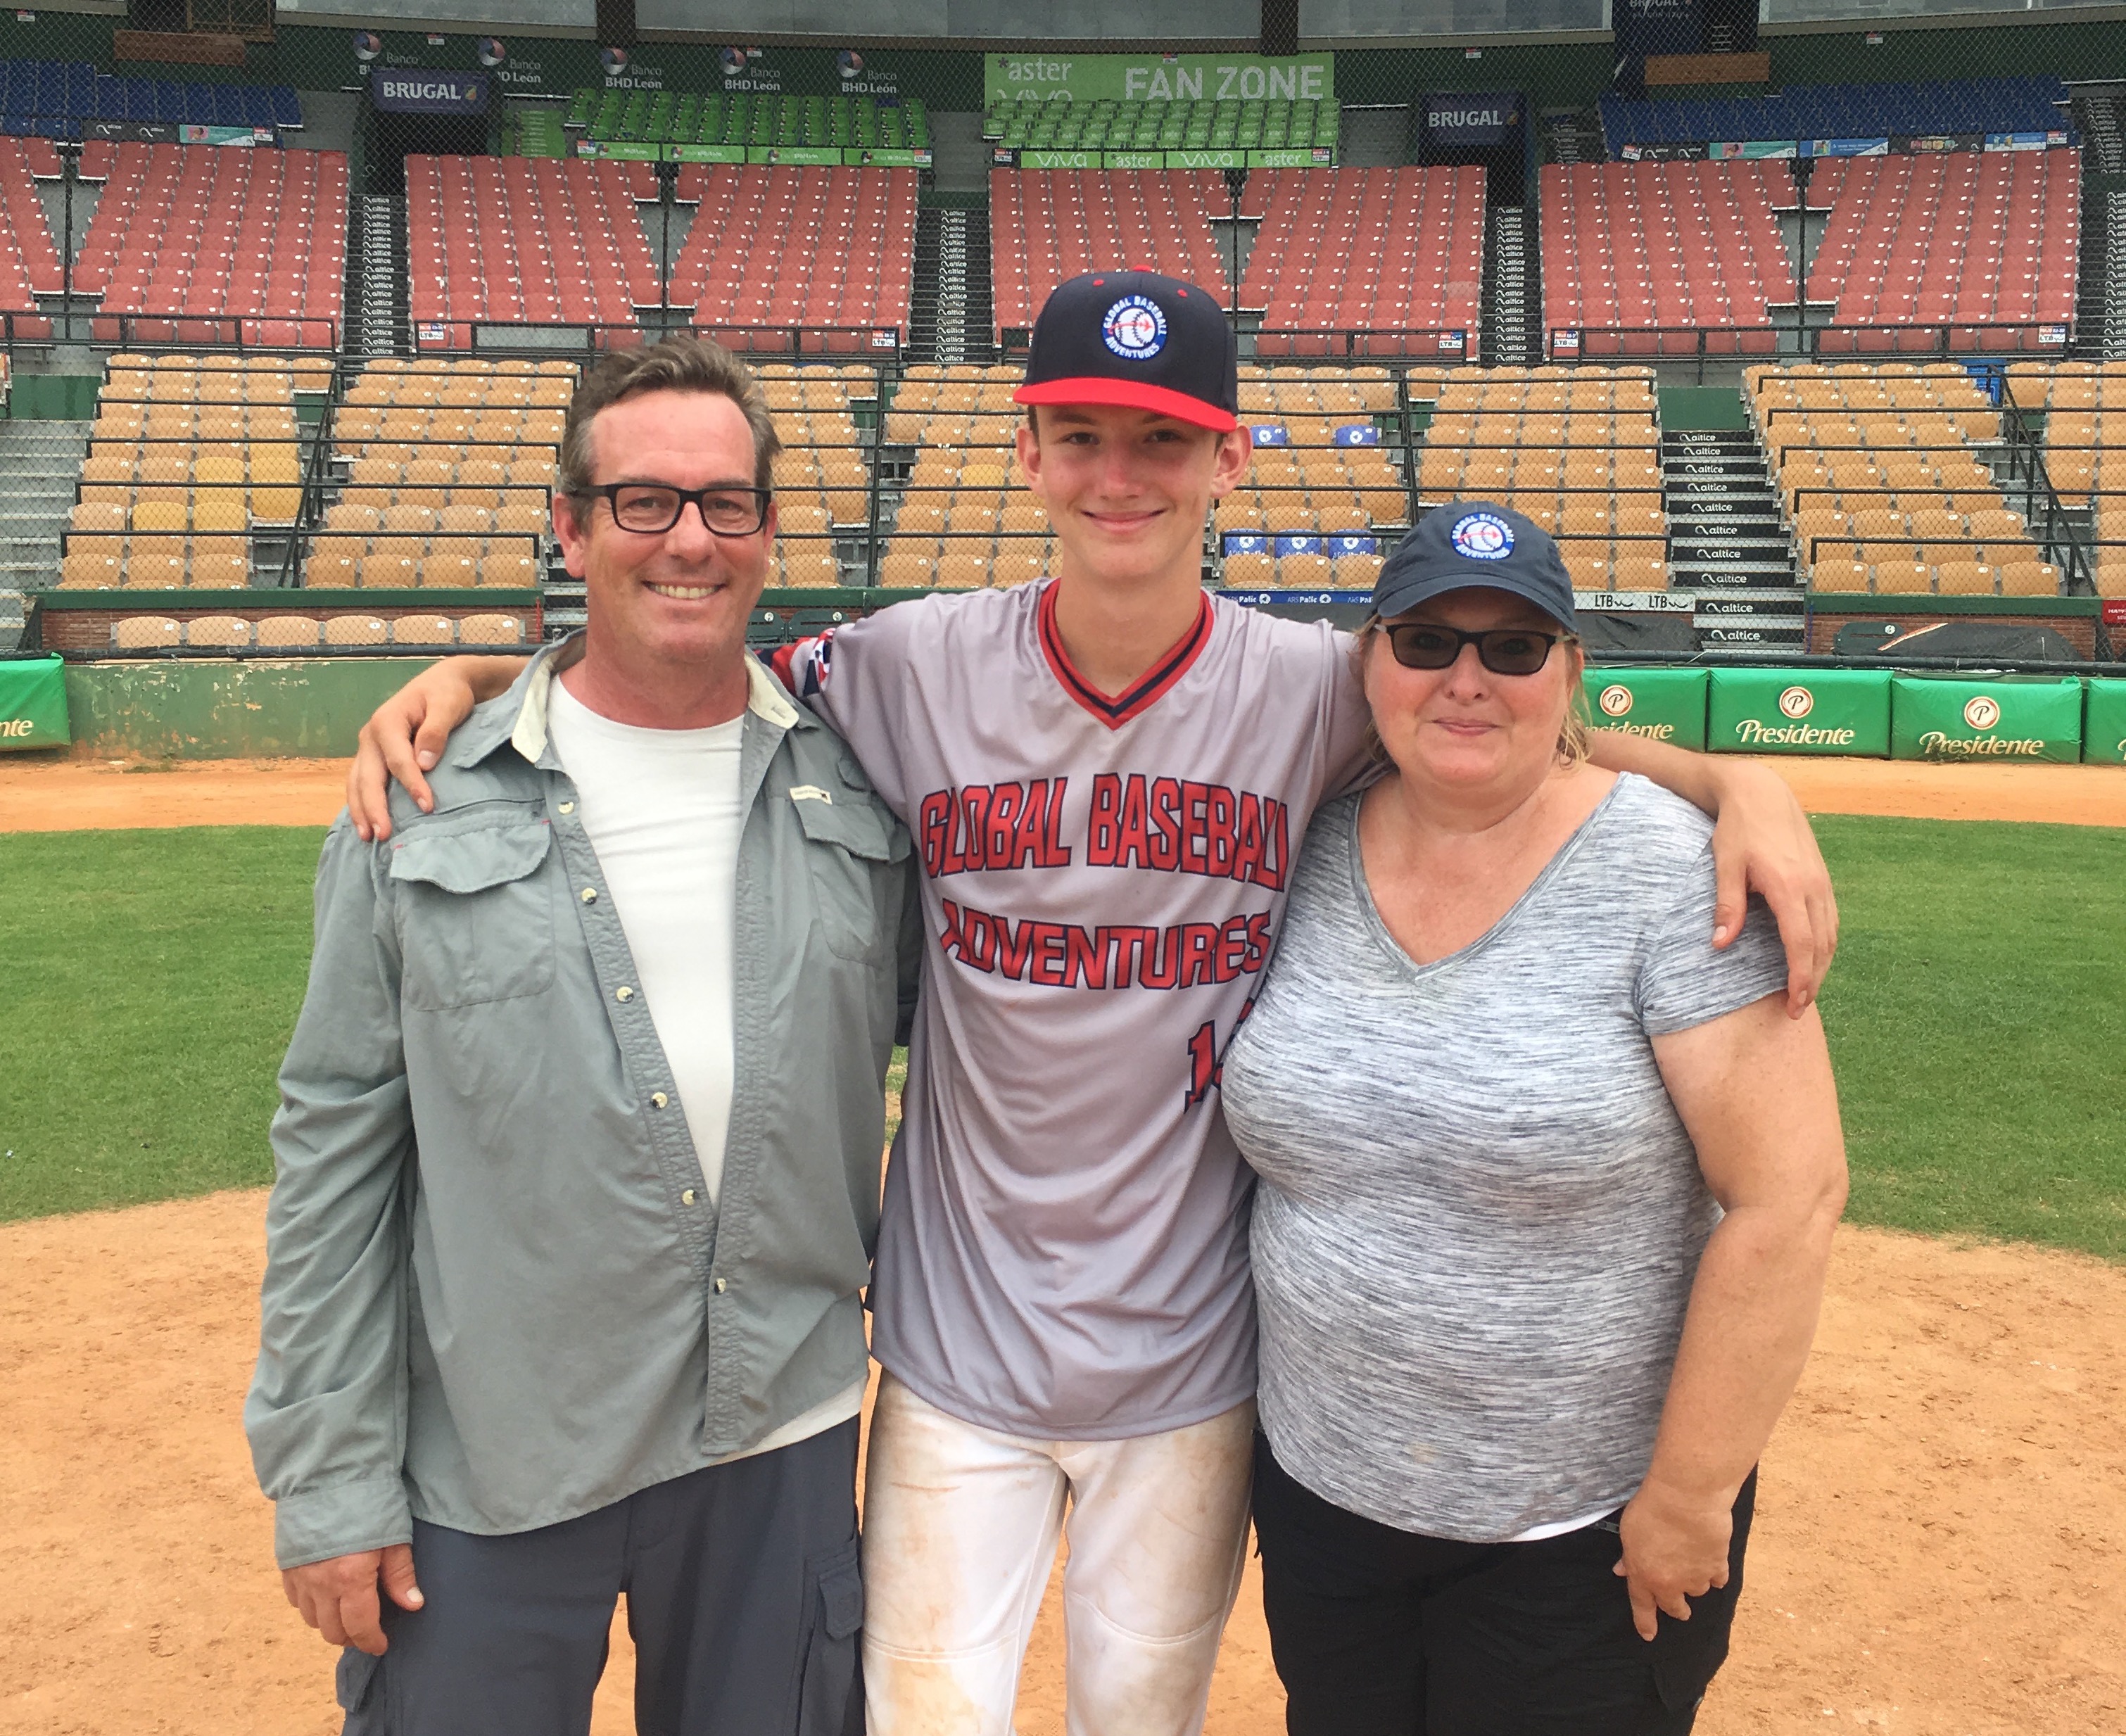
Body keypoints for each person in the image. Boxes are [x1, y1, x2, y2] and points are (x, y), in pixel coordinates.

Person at [339, 274, 1838, 1736]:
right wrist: (479, 676)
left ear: (1226, 458)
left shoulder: (1317, 688)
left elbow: (1500, 719)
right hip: (951, 1352)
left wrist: (1733, 778)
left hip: (1189, 1365)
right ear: (1026, 450)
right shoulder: (905, 666)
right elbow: (674, 664)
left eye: (1163, 439)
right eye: (1082, 435)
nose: (1119, 474)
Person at [246, 338, 917, 1736]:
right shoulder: (424, 798)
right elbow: (334, 1150)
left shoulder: (859, 784)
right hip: (497, 1457)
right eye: (643, 502)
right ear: (570, 523)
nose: (689, 537)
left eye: (725, 503)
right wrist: (327, 1476)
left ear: (767, 529)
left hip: (771, 1440)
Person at [1220, 503, 1849, 1735]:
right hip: (1323, 1502)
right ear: (1369, 663)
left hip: (1582, 1532)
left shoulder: (1673, 874)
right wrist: (1738, 768)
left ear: (1568, 672)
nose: (1466, 678)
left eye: (1513, 649)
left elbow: (1789, 1199)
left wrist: (1687, 1492)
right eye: (1426, 640)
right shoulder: (1301, 841)